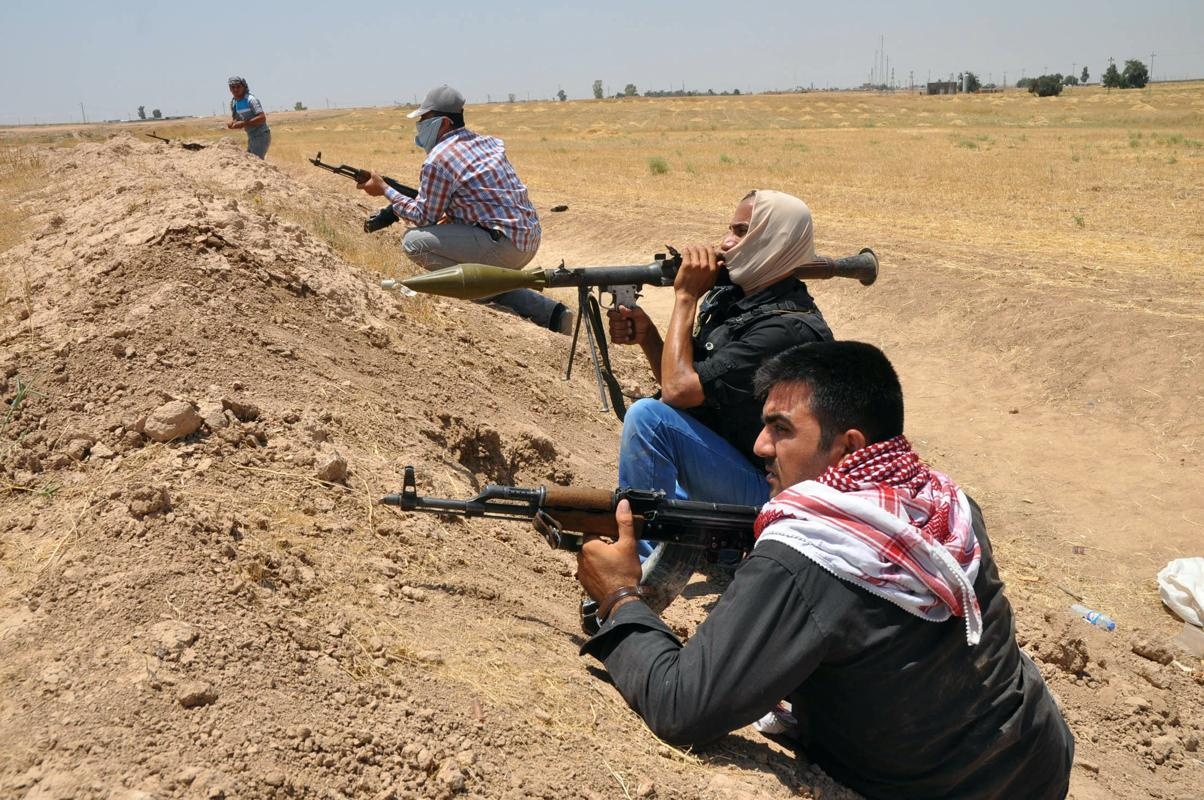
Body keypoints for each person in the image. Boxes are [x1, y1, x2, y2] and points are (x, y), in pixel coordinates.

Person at [575, 341, 1075, 800]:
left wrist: (620, 598)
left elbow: (681, 706)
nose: (760, 446)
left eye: (781, 429)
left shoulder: (810, 552)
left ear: (849, 448)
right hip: (1038, 763)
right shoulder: (949, 503)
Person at [608, 190, 831, 561]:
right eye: (730, 229)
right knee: (657, 483)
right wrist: (649, 338)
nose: (725, 242)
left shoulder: (785, 330)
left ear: (774, 241)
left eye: (741, 231)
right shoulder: (738, 300)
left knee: (649, 419)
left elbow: (678, 391)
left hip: (777, 494)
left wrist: (685, 297)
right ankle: (711, 549)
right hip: (741, 469)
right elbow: (690, 390)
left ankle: (637, 566)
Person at [356, 84, 572, 335]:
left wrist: (384, 189)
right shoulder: (488, 143)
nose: (419, 126)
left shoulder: (438, 159)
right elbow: (481, 197)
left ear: (444, 123)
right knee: (479, 269)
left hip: (504, 245)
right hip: (528, 238)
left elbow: (423, 217)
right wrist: (454, 217)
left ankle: (479, 294)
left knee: (414, 243)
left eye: (425, 119)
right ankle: (552, 313)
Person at [226, 76, 270, 159]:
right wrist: (233, 123)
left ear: (244, 87)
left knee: (255, 161)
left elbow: (262, 118)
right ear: (230, 89)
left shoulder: (251, 100)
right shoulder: (234, 102)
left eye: (238, 87)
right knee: (250, 160)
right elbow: (237, 118)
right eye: (233, 87)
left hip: (261, 135)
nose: (235, 89)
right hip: (251, 137)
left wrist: (243, 124)